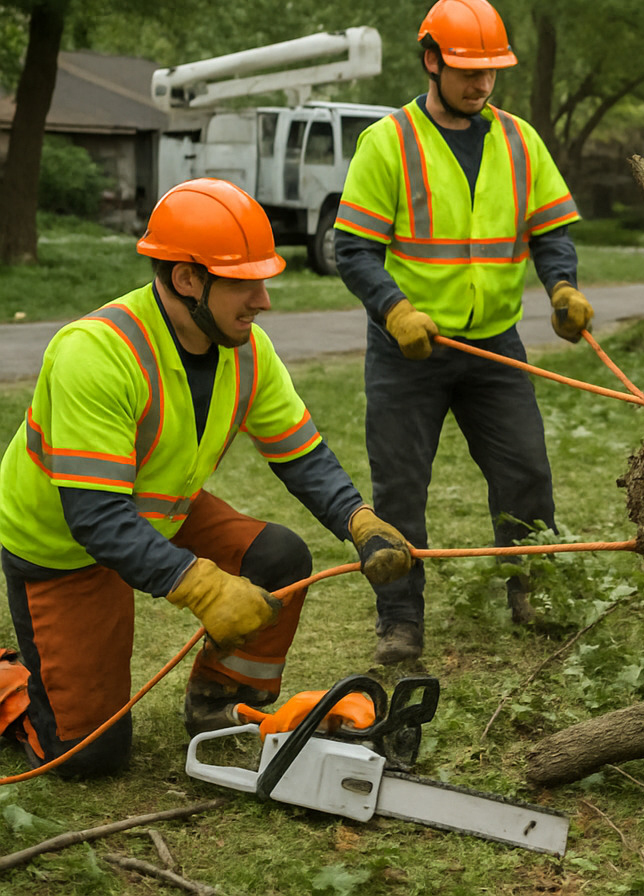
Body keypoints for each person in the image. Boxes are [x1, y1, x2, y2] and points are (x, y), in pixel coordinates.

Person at [0, 179, 414, 778]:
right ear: (188, 280)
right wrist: (201, 587)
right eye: (245, 282)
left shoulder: (245, 349)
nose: (264, 300)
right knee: (87, 756)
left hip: (155, 512)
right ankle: (11, 677)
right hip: (64, 544)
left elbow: (300, 454)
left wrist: (359, 520)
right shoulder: (94, 353)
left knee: (279, 556)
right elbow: (96, 517)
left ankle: (217, 700)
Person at [334, 0, 592, 664]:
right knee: (398, 491)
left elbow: (550, 230)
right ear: (430, 60)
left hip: (495, 345)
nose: (483, 83)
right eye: (470, 71)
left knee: (526, 473)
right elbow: (353, 250)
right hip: (407, 351)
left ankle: (531, 590)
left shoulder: (519, 139)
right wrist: (394, 310)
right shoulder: (387, 143)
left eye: (492, 71)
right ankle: (400, 622)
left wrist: (561, 288)